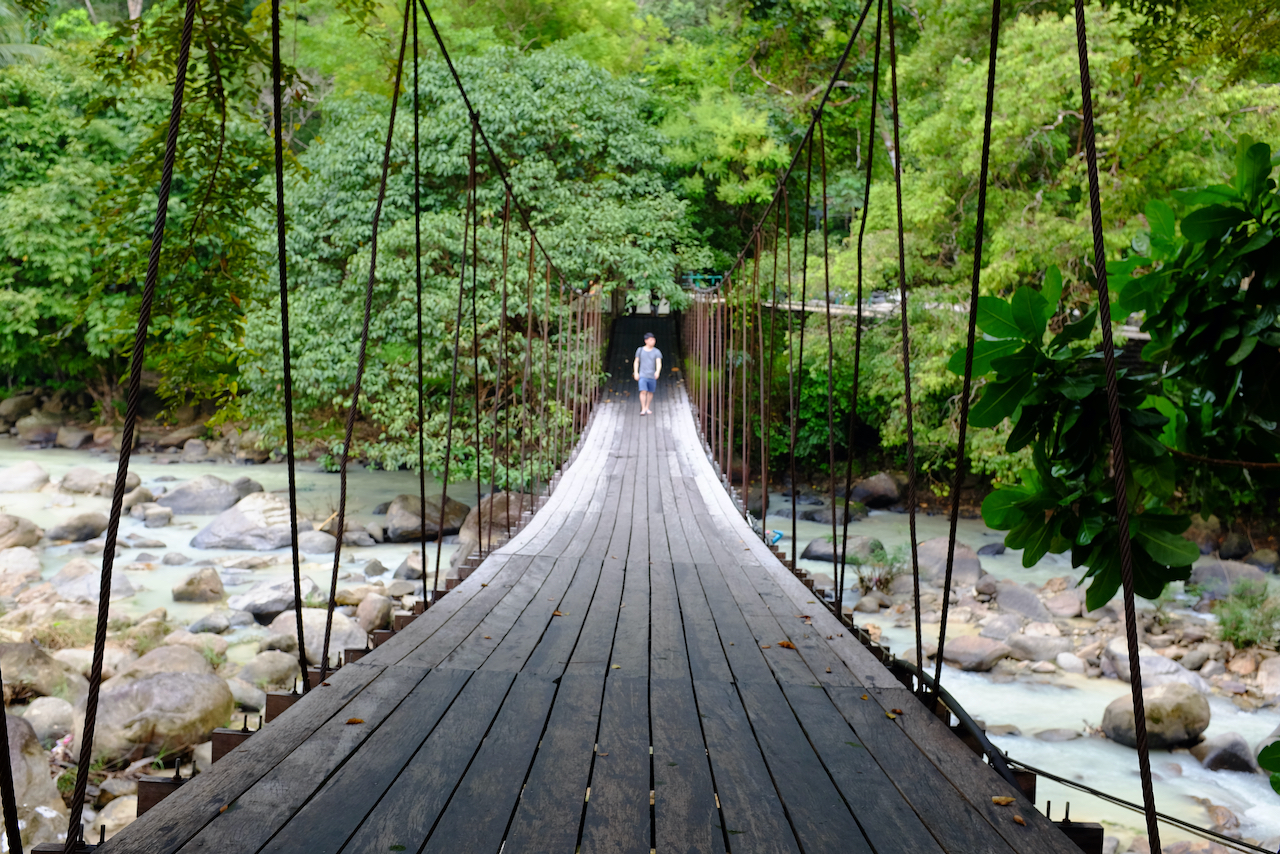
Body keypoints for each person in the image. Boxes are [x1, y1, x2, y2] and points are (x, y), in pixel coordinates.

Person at [633, 332, 662, 416]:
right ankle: (643, 408)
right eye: (651, 340)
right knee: (643, 391)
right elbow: (636, 362)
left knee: (650, 392)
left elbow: (658, 363)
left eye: (653, 340)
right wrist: (636, 372)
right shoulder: (640, 350)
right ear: (646, 341)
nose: (653, 341)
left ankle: (647, 406)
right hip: (642, 375)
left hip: (652, 375)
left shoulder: (657, 352)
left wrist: (657, 371)